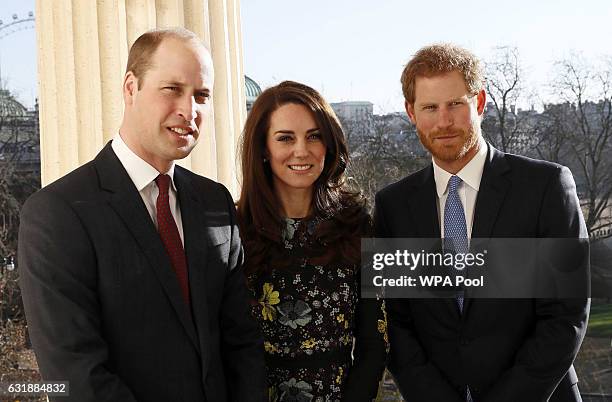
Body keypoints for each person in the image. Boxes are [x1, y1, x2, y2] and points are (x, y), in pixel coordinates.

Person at [18, 27, 265, 402]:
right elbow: (75, 373)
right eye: (172, 89)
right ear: (130, 88)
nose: (189, 110)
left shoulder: (215, 202)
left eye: (201, 95)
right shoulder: (57, 214)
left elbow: (241, 344)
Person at [375, 44, 589, 402]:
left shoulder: (546, 186)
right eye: (430, 107)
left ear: (479, 103)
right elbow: (396, 323)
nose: (443, 121)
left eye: (455, 104)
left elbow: (565, 317)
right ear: (411, 113)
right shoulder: (393, 205)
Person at [237, 81, 387, 401]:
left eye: (314, 136)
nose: (301, 151)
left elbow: (375, 339)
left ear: (329, 144)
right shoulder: (234, 230)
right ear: (263, 148)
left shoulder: (359, 225)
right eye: (285, 138)